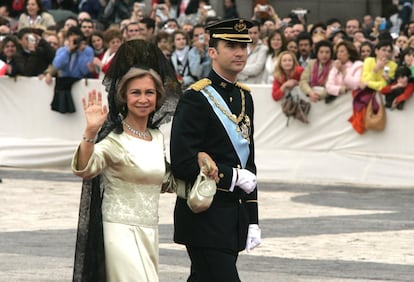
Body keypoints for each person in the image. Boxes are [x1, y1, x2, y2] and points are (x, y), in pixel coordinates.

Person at [71, 39, 181, 281]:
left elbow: (164, 180)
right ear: (124, 97)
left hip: (150, 232)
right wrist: (90, 132)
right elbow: (85, 169)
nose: (143, 99)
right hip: (118, 232)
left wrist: (204, 167)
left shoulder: (156, 137)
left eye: (149, 92)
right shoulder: (115, 140)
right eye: (136, 93)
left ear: (158, 96)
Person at [170, 18, 261, 282]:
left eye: (244, 46)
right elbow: (183, 162)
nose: (240, 53)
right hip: (203, 216)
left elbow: (249, 164)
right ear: (212, 52)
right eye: (231, 46)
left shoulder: (245, 98)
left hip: (232, 219)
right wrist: (231, 176)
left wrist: (253, 218)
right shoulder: (195, 98)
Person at [349, 40, 397, 134]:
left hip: (379, 95)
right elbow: (364, 80)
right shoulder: (368, 61)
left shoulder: (392, 65)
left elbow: (382, 85)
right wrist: (376, 69)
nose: (386, 53)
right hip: (366, 93)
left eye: (389, 51)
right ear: (376, 51)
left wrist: (368, 84)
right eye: (384, 50)